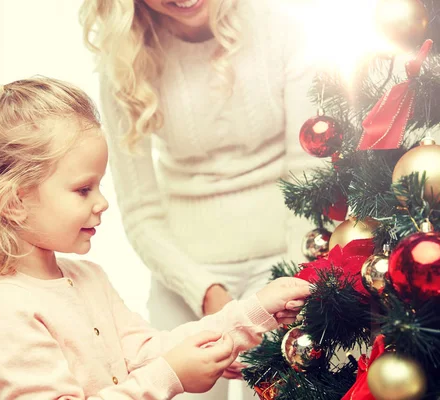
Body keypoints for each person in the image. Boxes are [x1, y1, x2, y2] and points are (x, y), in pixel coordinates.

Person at [0, 77, 312, 399]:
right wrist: (171, 375)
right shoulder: (2, 312)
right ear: (14, 202)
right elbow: (162, 368)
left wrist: (255, 312)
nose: (103, 203)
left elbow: (148, 352)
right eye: (83, 189)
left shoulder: (88, 278)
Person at [80, 1, 319, 398]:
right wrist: (209, 296)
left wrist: (290, 287)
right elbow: (141, 212)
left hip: (287, 259)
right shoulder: (123, 62)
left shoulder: (283, 31)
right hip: (186, 277)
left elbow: (308, 174)